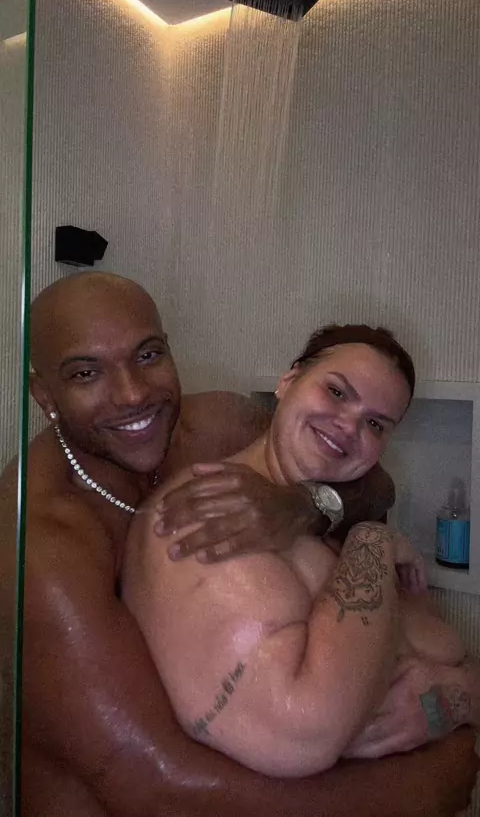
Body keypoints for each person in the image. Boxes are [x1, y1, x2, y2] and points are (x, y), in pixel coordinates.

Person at [0, 272, 476, 816]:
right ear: (45, 396)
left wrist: (308, 504)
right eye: (86, 373)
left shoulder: (216, 427)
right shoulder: (41, 541)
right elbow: (151, 784)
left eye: (148, 355)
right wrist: (420, 789)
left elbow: (369, 478)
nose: (133, 394)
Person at [124, 324, 479, 778]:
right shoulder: (208, 514)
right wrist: (374, 539)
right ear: (289, 381)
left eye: (375, 424)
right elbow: (303, 732)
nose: (348, 427)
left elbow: (445, 656)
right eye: (336, 392)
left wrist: (460, 692)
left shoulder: (325, 509)